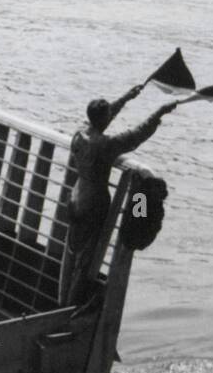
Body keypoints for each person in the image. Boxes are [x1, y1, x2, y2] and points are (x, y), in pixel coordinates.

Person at [59, 85, 179, 306]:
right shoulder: (105, 145)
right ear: (104, 118)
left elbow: (103, 117)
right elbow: (136, 135)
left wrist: (127, 97)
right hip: (93, 205)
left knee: (71, 252)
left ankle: (62, 300)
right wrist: (160, 112)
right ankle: (69, 308)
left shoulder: (80, 133)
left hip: (75, 199)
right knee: (86, 261)